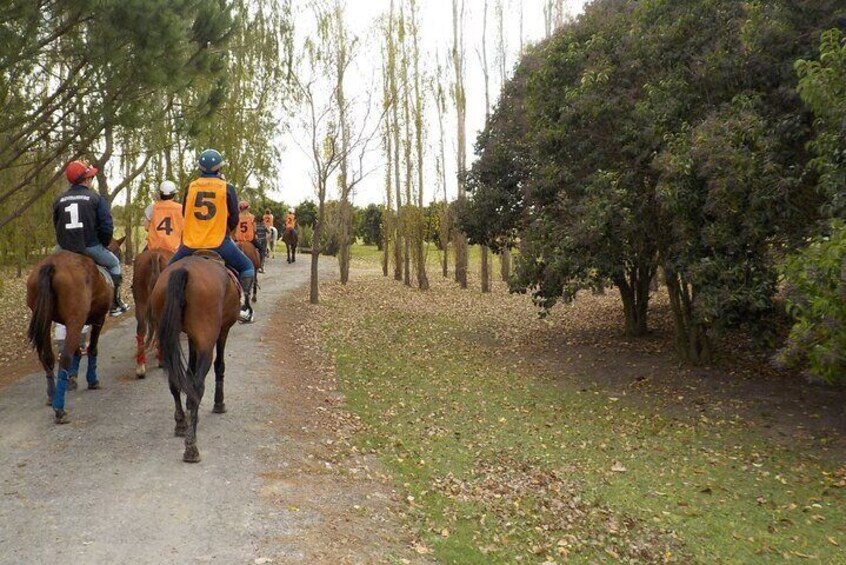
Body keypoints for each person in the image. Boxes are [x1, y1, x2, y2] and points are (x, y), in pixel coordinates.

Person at [169, 149, 256, 323]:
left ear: (200, 168)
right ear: (219, 168)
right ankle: (244, 306)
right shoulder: (227, 188)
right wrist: (227, 231)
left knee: (168, 270)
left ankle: (161, 308)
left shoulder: (191, 187)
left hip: (191, 244)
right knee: (247, 267)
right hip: (218, 242)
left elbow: (186, 213)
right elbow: (234, 217)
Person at [53, 160, 128, 316]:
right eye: (91, 177)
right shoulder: (95, 198)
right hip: (90, 246)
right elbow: (107, 226)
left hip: (63, 248)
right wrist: (104, 242)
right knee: (114, 264)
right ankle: (115, 304)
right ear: (85, 179)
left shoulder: (59, 200)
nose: (92, 180)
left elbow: (57, 225)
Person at [144, 180, 183, 252]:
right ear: (174, 194)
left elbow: (146, 227)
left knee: (141, 259)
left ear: (160, 194)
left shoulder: (152, 207)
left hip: (154, 246)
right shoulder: (181, 208)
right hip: (174, 247)